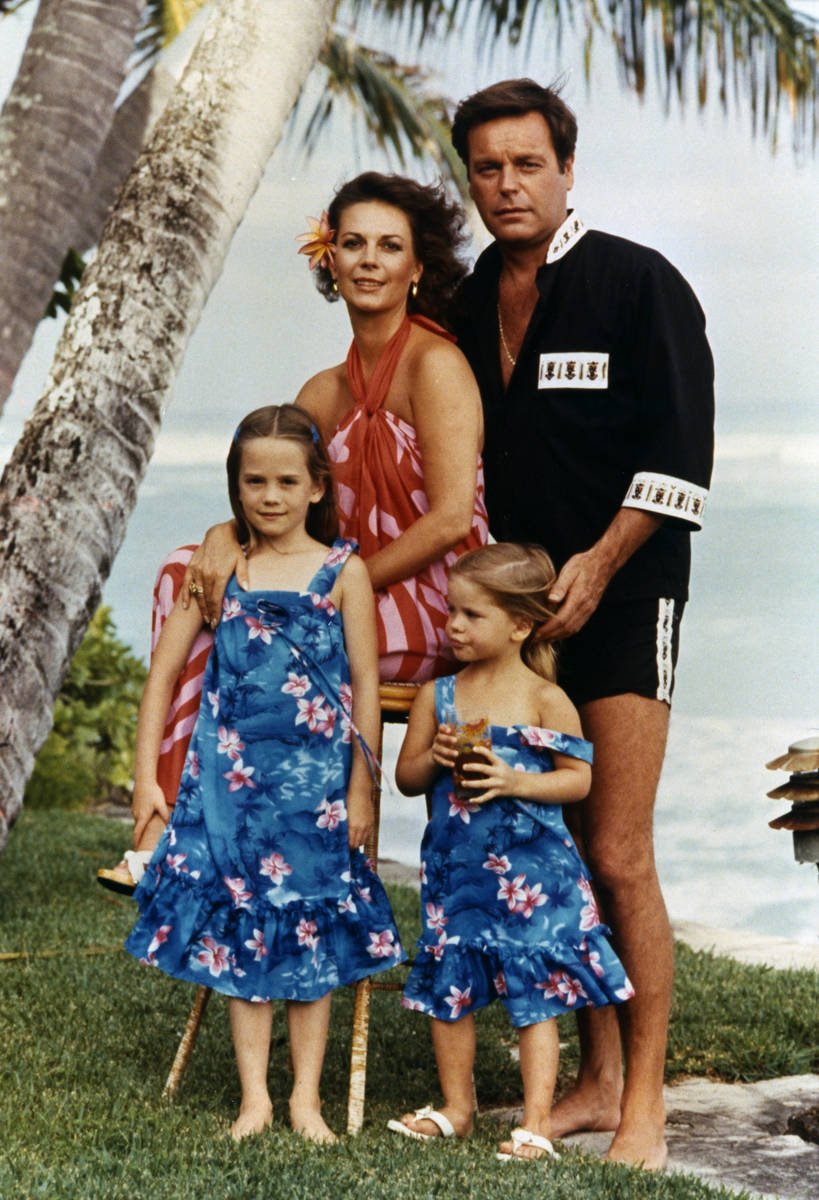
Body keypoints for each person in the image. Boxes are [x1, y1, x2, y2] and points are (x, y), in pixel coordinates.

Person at [448, 79, 715, 1169]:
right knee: (557, 849)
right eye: (487, 168)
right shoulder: (467, 302)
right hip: (521, 624)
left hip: (627, 599)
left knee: (616, 849)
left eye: (528, 164)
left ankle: (643, 1103)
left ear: (567, 170)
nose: (508, 186)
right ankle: (596, 1078)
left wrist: (603, 564)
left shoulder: (637, 285)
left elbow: (682, 462)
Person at [98, 172, 489, 895]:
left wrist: (340, 585)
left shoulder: (436, 367)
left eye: (389, 246)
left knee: (246, 618)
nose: (369, 259)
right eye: (352, 243)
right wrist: (223, 534)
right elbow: (278, 493)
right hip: (337, 588)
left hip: (429, 597)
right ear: (330, 262)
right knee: (182, 572)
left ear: (416, 269)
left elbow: (450, 519)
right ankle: (162, 828)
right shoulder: (320, 393)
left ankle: (182, 838)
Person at [124, 405, 404, 1143]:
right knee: (241, 936)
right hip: (231, 787)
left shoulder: (346, 572)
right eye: (254, 482)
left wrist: (362, 789)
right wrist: (145, 775)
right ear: (235, 486)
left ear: (316, 487)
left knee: (311, 939)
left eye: (286, 481)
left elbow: (367, 690)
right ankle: (255, 1100)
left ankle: (305, 1100)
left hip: (316, 791)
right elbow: (164, 674)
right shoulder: (220, 570)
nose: (269, 496)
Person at [388, 544, 633, 1160]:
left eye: (472, 615)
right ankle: (457, 1107)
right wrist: (434, 758)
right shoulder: (438, 697)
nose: (454, 626)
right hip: (458, 874)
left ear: (520, 625)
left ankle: (536, 1121)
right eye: (452, 611)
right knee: (450, 991)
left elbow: (578, 780)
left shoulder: (544, 699)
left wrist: (515, 781)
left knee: (537, 995)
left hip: (534, 874)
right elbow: (407, 777)